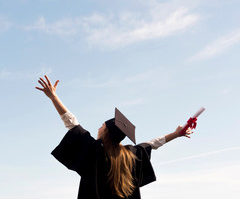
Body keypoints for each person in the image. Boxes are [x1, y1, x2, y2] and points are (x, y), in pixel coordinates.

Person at [36, 75, 193, 199]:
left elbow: (71, 122)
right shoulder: (131, 155)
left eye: (102, 126)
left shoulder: (94, 151)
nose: (99, 128)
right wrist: (176, 134)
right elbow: (152, 144)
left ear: (106, 132)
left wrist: (54, 97)